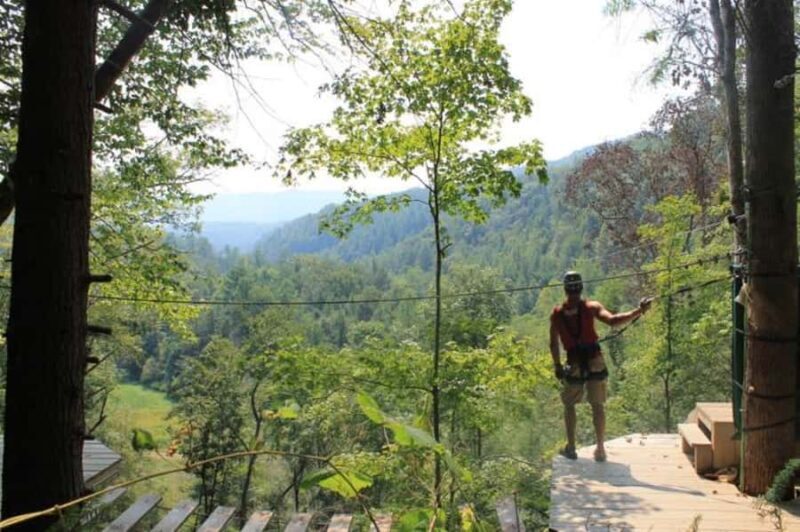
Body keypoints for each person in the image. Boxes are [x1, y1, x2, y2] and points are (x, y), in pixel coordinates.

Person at [550, 271, 651, 462]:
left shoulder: (557, 314)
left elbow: (553, 344)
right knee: (597, 405)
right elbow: (613, 321)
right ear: (581, 288)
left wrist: (557, 366)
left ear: (565, 289)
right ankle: (600, 449)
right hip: (594, 359)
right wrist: (639, 311)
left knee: (569, 404)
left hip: (574, 363)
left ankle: (571, 447)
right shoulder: (591, 307)